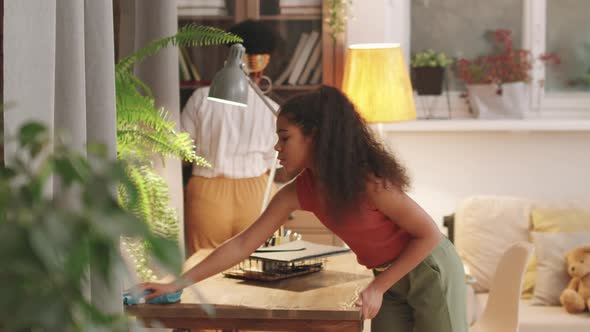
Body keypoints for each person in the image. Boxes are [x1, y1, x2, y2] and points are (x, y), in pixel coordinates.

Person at [142, 86, 468, 332]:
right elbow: (243, 244)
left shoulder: (368, 182)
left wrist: (378, 287)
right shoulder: (297, 192)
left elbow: (427, 236)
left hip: (429, 270)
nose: (276, 147)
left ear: (315, 137)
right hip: (388, 278)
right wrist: (177, 284)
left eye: (285, 138)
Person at [181, 20, 291, 256]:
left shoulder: (201, 98)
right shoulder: (271, 108)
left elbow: (182, 150)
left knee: (203, 268)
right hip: (257, 194)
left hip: (207, 193)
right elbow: (278, 158)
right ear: (264, 64)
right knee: (261, 268)